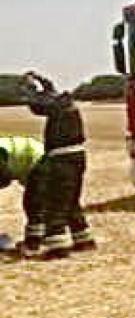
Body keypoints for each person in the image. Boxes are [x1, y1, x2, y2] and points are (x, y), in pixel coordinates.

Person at [18, 72, 95, 258]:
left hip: (62, 158)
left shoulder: (57, 107)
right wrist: (41, 80)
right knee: (71, 201)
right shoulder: (67, 104)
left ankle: (57, 247)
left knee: (56, 203)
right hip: (77, 156)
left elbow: (36, 105)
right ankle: (83, 239)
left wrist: (26, 88)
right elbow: (48, 94)